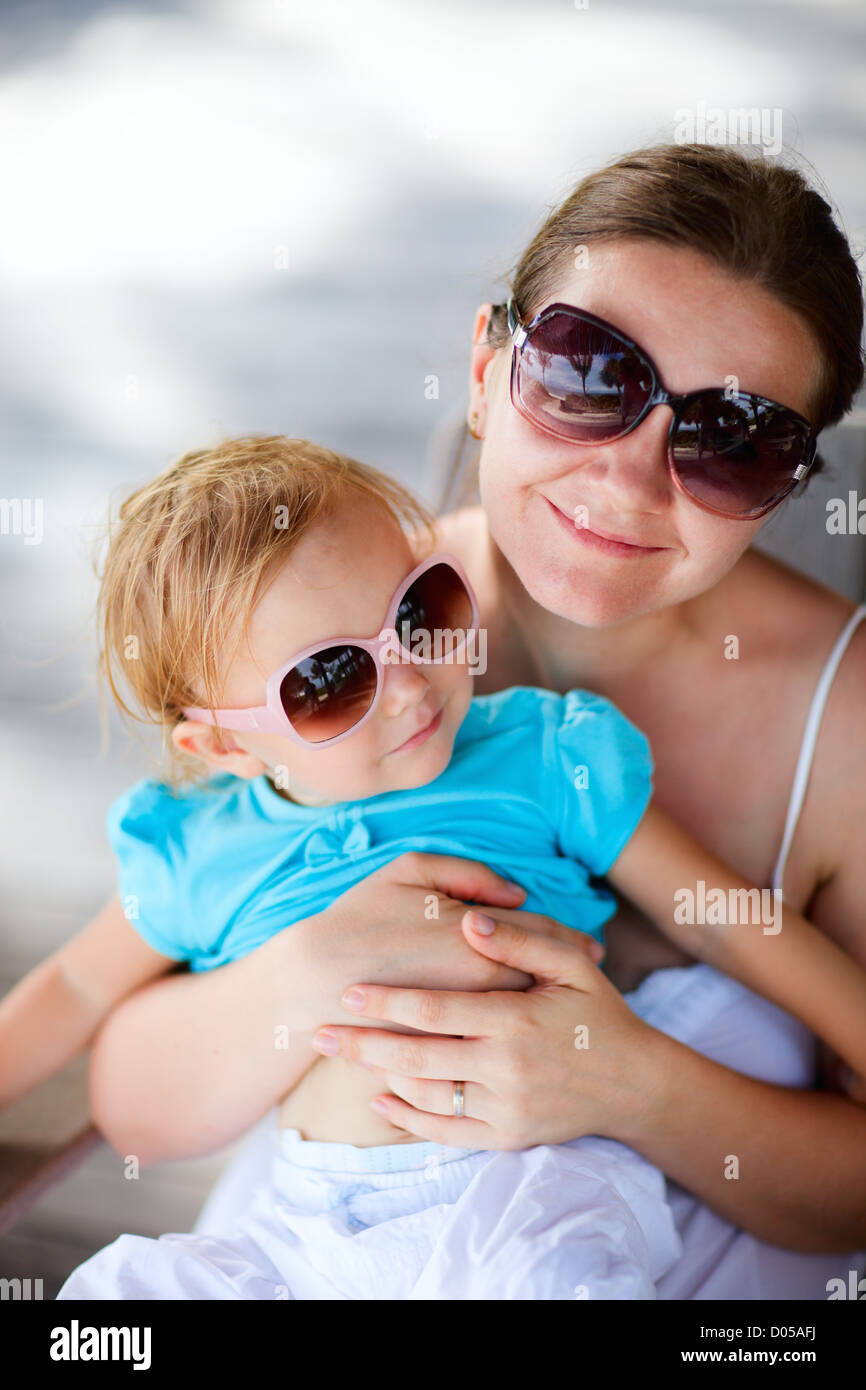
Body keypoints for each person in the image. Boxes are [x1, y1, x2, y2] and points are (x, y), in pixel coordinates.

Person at [78, 144, 866, 1296]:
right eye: (587, 373)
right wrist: (302, 976)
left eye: (730, 438)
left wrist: (632, 1083)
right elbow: (124, 1050)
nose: (630, 482)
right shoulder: (331, 621)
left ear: (789, 481)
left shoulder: (841, 728)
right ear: (489, 364)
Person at [0, 437, 852, 1298]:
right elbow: (77, 986)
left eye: (420, 611)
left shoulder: (540, 754)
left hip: (533, 1186)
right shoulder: (197, 850)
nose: (409, 685)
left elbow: (717, 914)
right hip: (305, 1223)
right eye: (329, 679)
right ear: (223, 745)